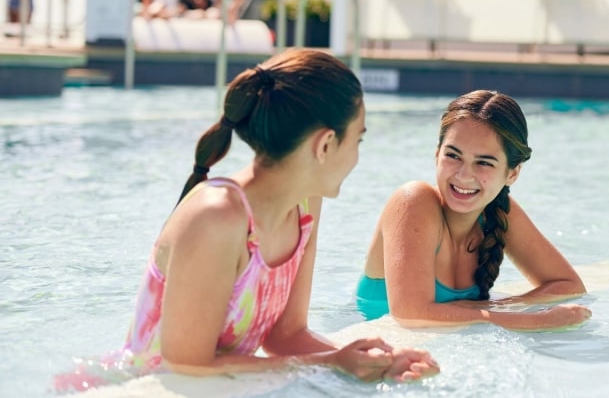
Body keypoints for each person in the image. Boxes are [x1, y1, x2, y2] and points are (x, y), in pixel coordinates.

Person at [110, 50, 436, 383]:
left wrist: (377, 362)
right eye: (358, 139)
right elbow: (187, 365)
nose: (356, 156)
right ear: (325, 145)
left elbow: (287, 336)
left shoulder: (305, 205)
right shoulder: (216, 217)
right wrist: (331, 364)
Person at [356, 89, 592, 331]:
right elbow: (410, 315)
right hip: (376, 345)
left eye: (484, 163)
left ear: (512, 173)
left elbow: (569, 285)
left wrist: (501, 306)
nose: (463, 175)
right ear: (437, 155)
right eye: (453, 156)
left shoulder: (498, 212)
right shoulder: (413, 201)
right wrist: (533, 319)